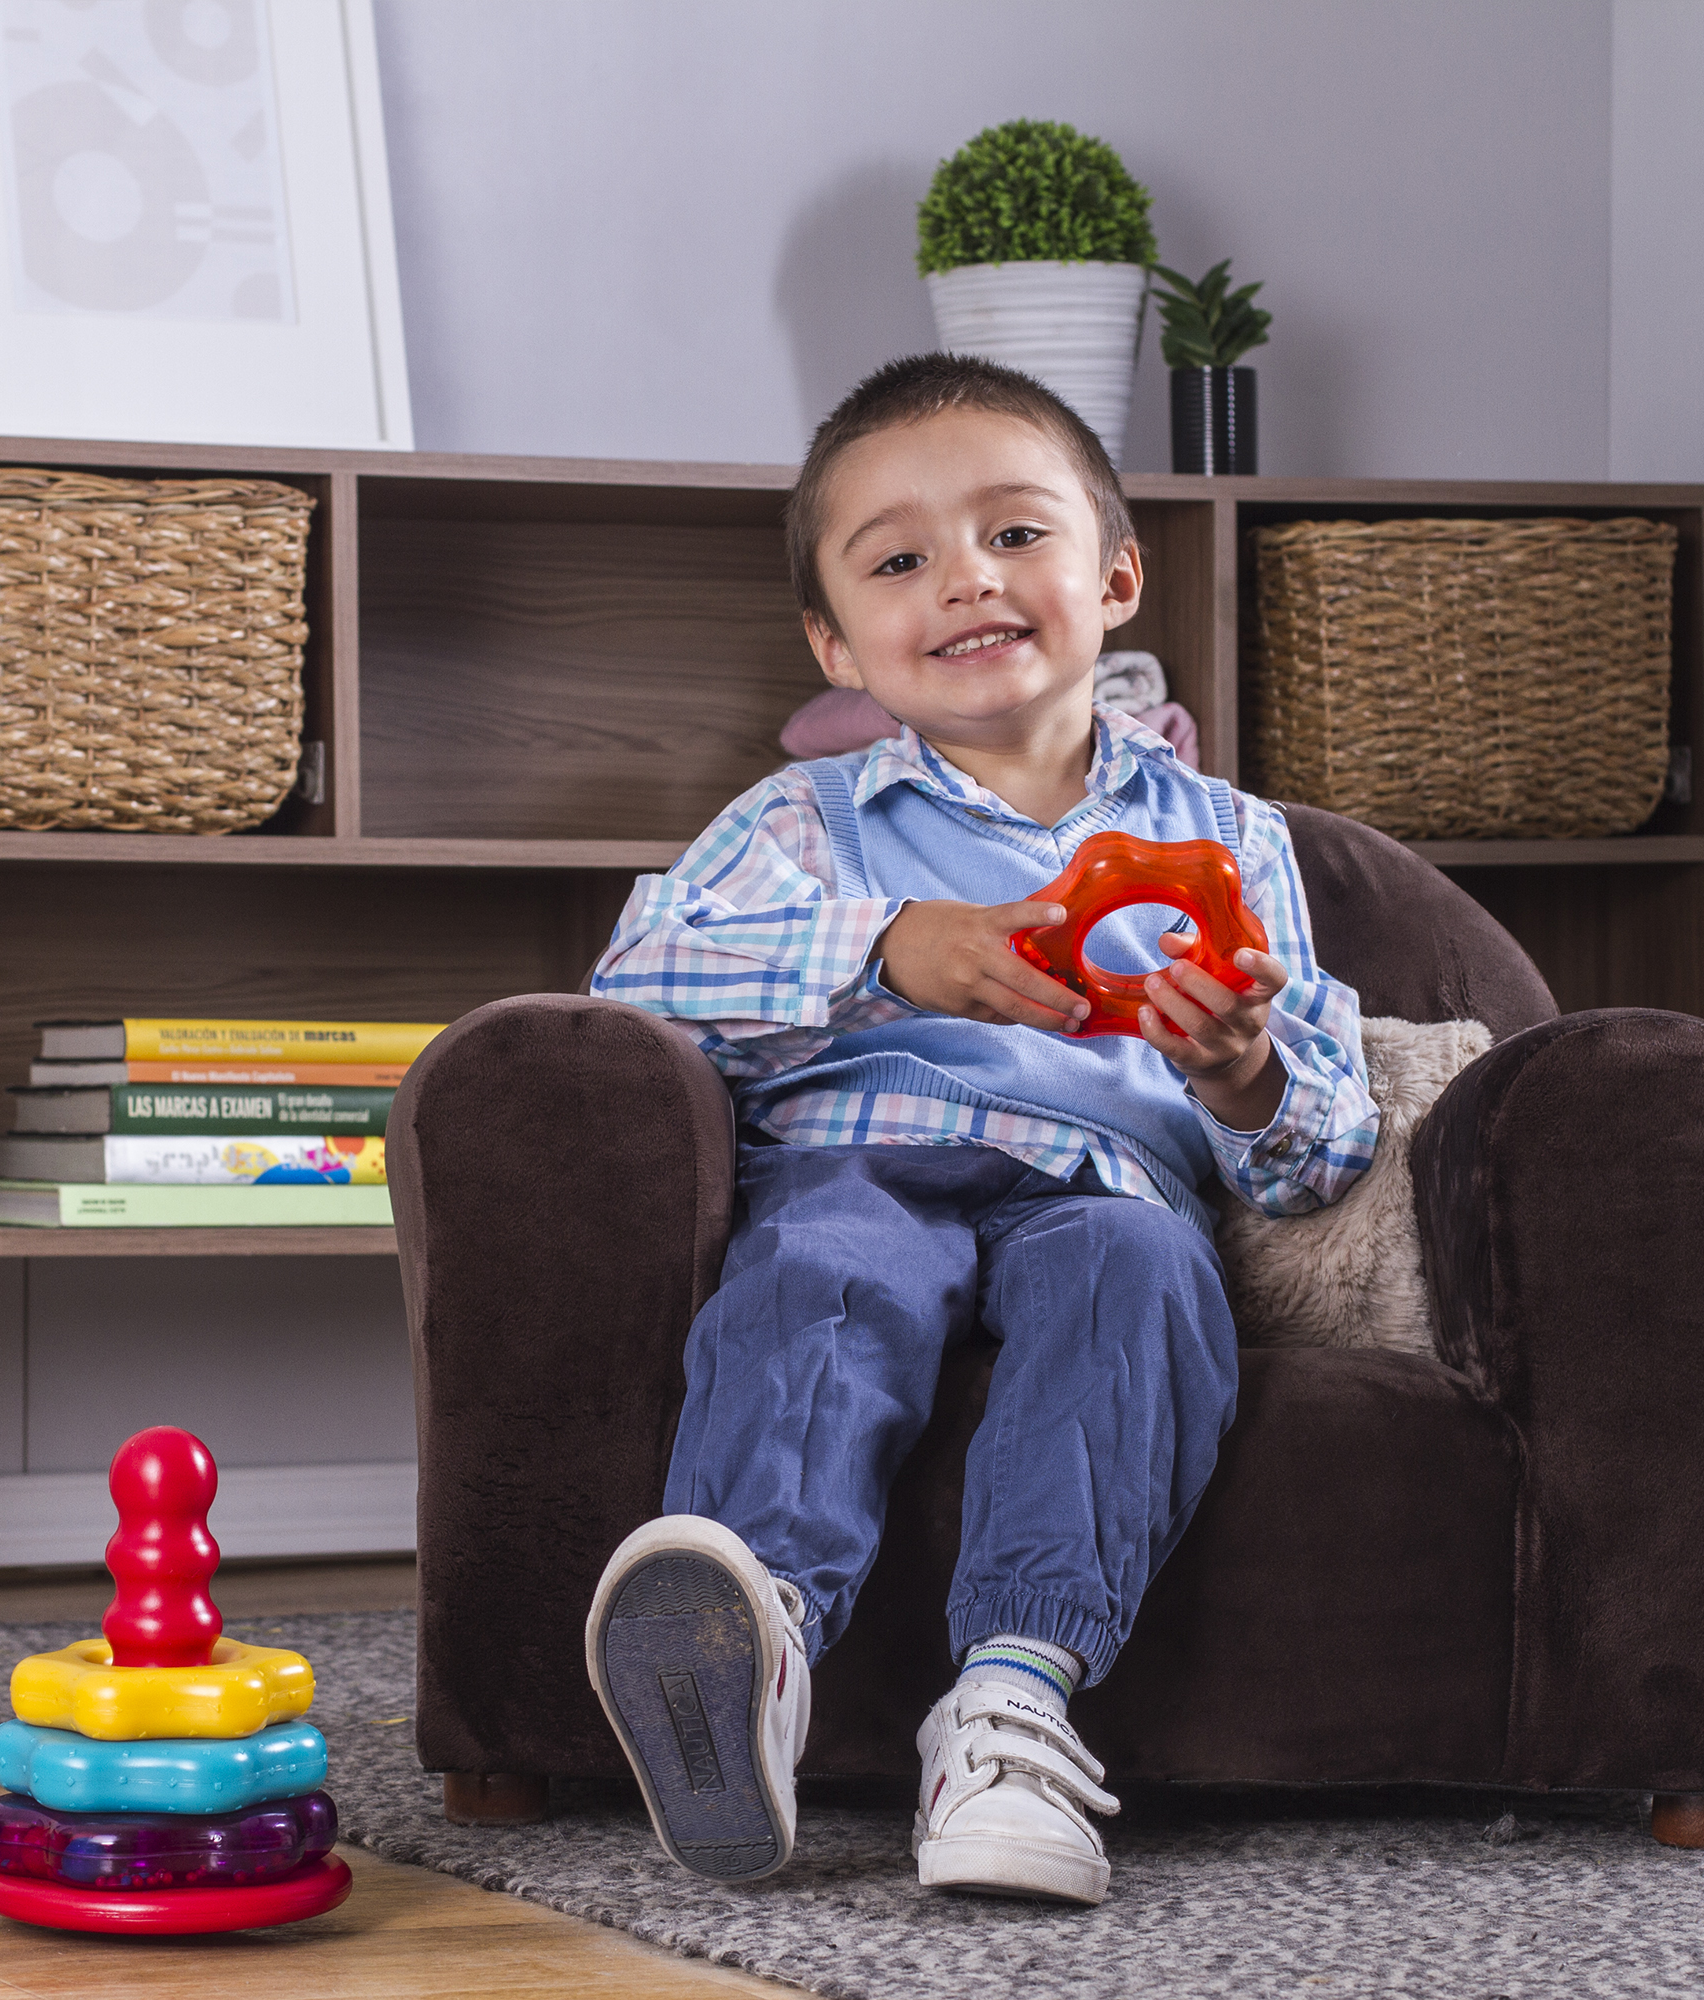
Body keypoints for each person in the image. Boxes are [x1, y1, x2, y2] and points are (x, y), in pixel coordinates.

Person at [582, 353, 1377, 1906]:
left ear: (1117, 576)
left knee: (1143, 1278)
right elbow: (635, 974)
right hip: (856, 1154)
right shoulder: (802, 822)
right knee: (824, 1270)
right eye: (899, 561)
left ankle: (1011, 1711)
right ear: (838, 640)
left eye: (1017, 535)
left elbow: (1327, 1148)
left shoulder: (1228, 836)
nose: (966, 579)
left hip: (1108, 1184)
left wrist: (1243, 1078)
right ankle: (761, 1646)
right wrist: (885, 948)